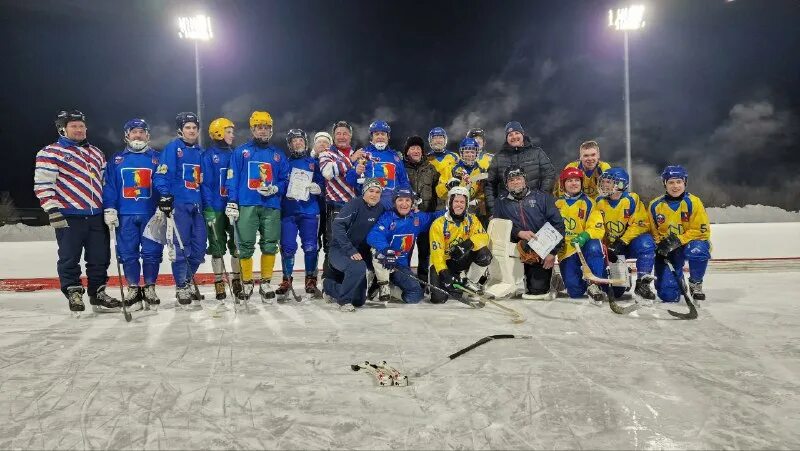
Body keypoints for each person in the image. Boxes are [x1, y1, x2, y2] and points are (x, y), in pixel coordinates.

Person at [34, 110, 121, 314]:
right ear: (62, 129)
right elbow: (43, 183)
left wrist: (109, 207)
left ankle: (98, 293)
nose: (80, 129)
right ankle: (73, 291)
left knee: (100, 258)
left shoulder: (96, 153)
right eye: (74, 126)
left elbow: (105, 183)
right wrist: (51, 209)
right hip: (69, 215)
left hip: (96, 215)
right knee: (69, 257)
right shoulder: (50, 152)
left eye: (81, 126)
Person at [224, 111, 289, 303]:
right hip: (247, 204)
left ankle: (266, 281)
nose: (263, 131)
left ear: (271, 129)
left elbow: (286, 179)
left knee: (270, 244)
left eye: (266, 127)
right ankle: (247, 281)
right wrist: (232, 201)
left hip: (271, 205)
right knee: (245, 245)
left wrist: (277, 188)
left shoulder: (277, 155)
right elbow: (232, 177)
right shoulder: (241, 152)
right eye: (259, 127)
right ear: (252, 129)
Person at [103, 118, 163, 311]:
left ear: (147, 135)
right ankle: (133, 289)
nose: (138, 135)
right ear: (126, 135)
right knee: (128, 254)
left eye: (141, 132)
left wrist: (165, 203)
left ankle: (150, 288)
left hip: (151, 215)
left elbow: (164, 183)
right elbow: (110, 186)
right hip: (125, 214)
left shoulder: (157, 158)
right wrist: (110, 207)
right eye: (134, 132)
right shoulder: (117, 160)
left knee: (152, 254)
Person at [153, 112, 207, 306]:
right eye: (188, 128)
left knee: (199, 250)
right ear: (180, 130)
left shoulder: (201, 152)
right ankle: (181, 286)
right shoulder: (173, 148)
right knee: (181, 248)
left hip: (198, 206)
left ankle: (187, 279)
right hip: (180, 206)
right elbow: (161, 175)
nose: (192, 131)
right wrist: (165, 195)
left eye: (194, 128)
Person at [494, 166, 564, 299]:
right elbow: (498, 228)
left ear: (525, 180)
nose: (515, 182)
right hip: (515, 248)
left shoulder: (542, 198)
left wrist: (552, 252)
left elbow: (558, 225)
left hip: (539, 251)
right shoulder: (500, 203)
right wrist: (518, 232)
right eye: (511, 180)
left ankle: (551, 278)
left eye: (518, 178)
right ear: (506, 184)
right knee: (505, 291)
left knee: (537, 290)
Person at [648, 165, 711, 302]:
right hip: (669, 250)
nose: (675, 186)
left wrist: (678, 240)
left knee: (697, 250)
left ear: (685, 183)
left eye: (679, 182)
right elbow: (654, 232)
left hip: (689, 244)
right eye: (671, 182)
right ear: (665, 183)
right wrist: (660, 246)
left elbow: (701, 231)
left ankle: (695, 283)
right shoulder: (655, 205)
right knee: (668, 296)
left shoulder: (694, 202)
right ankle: (678, 280)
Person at [366, 189, 441, 303]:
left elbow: (434, 217)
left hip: (399, 266)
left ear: (412, 203)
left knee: (416, 295)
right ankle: (382, 282)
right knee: (377, 251)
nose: (404, 204)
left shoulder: (417, 218)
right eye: (400, 200)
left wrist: (452, 209)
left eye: (407, 200)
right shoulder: (387, 217)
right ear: (394, 202)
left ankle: (389, 289)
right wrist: (387, 250)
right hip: (384, 262)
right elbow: (374, 235)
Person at [322, 178, 386, 311]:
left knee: (358, 300)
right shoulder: (354, 204)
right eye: (371, 191)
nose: (374, 195)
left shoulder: (381, 208)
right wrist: (350, 250)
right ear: (364, 192)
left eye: (377, 192)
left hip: (361, 252)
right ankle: (344, 301)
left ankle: (330, 286)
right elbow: (337, 226)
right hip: (340, 250)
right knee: (358, 267)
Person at [595, 167, 656, 300]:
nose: (604, 185)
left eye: (608, 182)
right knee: (616, 293)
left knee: (646, 243)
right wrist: (606, 248)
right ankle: (623, 275)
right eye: (603, 181)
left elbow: (641, 224)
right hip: (612, 251)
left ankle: (643, 283)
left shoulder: (632, 200)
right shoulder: (599, 202)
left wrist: (622, 241)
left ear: (620, 185)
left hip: (628, 245)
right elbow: (596, 227)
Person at [277, 128, 324, 296]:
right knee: (287, 247)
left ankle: (311, 280)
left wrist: (318, 187)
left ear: (305, 143)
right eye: (294, 141)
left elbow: (324, 183)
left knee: (311, 247)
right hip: (288, 211)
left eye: (300, 140)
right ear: (289, 144)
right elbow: (279, 183)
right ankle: (286, 279)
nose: (298, 143)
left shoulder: (314, 163)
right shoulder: (283, 162)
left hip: (309, 211)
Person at [201, 117, 242, 301]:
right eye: (229, 131)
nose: (232, 135)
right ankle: (219, 282)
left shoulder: (235, 153)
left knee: (237, 245)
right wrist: (208, 207)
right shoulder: (208, 156)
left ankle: (236, 280)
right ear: (218, 132)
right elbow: (206, 185)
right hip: (216, 208)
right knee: (217, 246)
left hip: (233, 207)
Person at [428, 186, 492, 303]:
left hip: (461, 260)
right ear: (450, 202)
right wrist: (444, 272)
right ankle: (454, 283)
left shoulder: (472, 220)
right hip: (444, 263)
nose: (459, 205)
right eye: (456, 201)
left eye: (462, 202)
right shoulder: (438, 224)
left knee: (485, 255)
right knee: (438, 299)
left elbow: (484, 237)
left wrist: (469, 243)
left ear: (466, 204)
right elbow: (436, 254)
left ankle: (469, 283)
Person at [554, 167, 607, 302]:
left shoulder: (590, 203)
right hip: (567, 249)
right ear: (563, 184)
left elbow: (597, 227)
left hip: (585, 245)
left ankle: (594, 284)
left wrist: (584, 236)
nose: (574, 183)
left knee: (595, 246)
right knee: (575, 292)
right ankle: (569, 280)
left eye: (577, 180)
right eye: (570, 180)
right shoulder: (556, 204)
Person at [318, 121, 365, 271]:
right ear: (333, 136)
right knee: (334, 245)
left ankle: (351, 282)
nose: (341, 136)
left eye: (345, 133)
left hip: (356, 208)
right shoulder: (327, 153)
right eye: (338, 133)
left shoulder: (358, 154)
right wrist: (351, 160)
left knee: (355, 245)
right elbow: (328, 172)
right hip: (336, 207)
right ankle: (329, 282)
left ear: (350, 136)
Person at [486, 121, 556, 216]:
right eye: (510, 135)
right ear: (507, 138)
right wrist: (494, 211)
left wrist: (540, 199)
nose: (514, 136)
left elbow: (549, 174)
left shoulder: (537, 153)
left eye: (517, 133)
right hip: (508, 209)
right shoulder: (498, 158)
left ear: (523, 134)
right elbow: (489, 184)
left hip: (535, 207)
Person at [402, 135, 439, 284]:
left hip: (426, 216)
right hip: (407, 217)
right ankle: (406, 279)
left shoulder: (431, 168)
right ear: (407, 152)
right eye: (412, 148)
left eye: (418, 148)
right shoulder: (401, 168)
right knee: (406, 250)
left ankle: (423, 281)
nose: (416, 151)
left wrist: (435, 213)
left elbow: (438, 192)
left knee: (425, 251)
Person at [348, 120, 411, 208]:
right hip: (369, 207)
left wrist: (407, 199)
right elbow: (350, 181)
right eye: (377, 134)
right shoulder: (363, 154)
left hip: (392, 208)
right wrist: (356, 172)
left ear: (388, 136)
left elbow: (404, 182)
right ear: (371, 137)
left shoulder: (395, 157)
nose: (380, 137)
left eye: (383, 134)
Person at [440, 137, 490, 227]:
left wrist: (479, 201)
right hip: (454, 211)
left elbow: (482, 197)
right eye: (466, 152)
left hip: (473, 213)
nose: (469, 155)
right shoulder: (451, 169)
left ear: (476, 154)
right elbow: (439, 192)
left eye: (472, 152)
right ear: (461, 153)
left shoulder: (482, 171)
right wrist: (447, 186)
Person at [428, 127, 459, 209]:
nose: (438, 140)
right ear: (430, 140)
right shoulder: (426, 158)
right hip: (432, 198)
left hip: (451, 195)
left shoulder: (455, 157)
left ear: (445, 140)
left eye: (440, 137)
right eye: (435, 138)